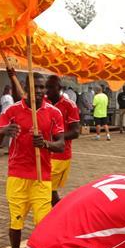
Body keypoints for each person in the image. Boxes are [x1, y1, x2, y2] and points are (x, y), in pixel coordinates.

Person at [0, 73, 65, 248]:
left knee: (43, 222)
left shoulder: (54, 112)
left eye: (42, 87)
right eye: (34, 87)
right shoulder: (12, 110)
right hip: (17, 175)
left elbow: (61, 144)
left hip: (42, 177)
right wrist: (4, 132)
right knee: (16, 221)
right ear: (25, 88)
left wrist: (45, 144)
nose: (39, 91)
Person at [46, 75, 80, 205]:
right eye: (46, 87)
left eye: (50, 87)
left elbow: (75, 132)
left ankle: (60, 211)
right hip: (44, 152)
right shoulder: (42, 102)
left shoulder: (70, 105)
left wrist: (57, 136)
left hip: (60, 155)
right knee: (46, 189)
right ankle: (58, 211)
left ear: (59, 88)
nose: (47, 90)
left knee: (47, 188)